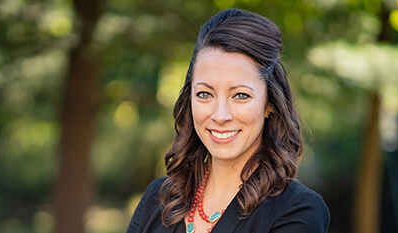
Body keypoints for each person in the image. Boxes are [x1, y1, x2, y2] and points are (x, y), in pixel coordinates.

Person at [127, 8, 330, 233]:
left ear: (269, 104)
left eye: (240, 95)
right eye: (205, 94)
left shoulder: (297, 210)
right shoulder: (158, 199)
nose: (220, 115)